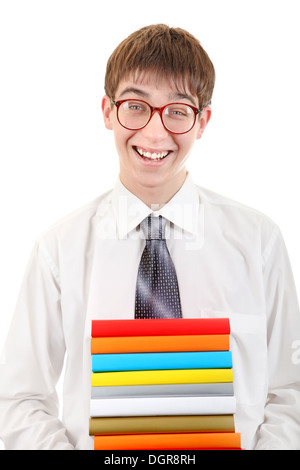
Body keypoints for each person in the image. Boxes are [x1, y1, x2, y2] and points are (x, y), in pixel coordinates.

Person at [0, 23, 299, 450]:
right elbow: (20, 397)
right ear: (107, 111)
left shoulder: (259, 243)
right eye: (136, 106)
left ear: (202, 121)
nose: (155, 133)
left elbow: (291, 392)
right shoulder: (59, 250)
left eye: (177, 110)